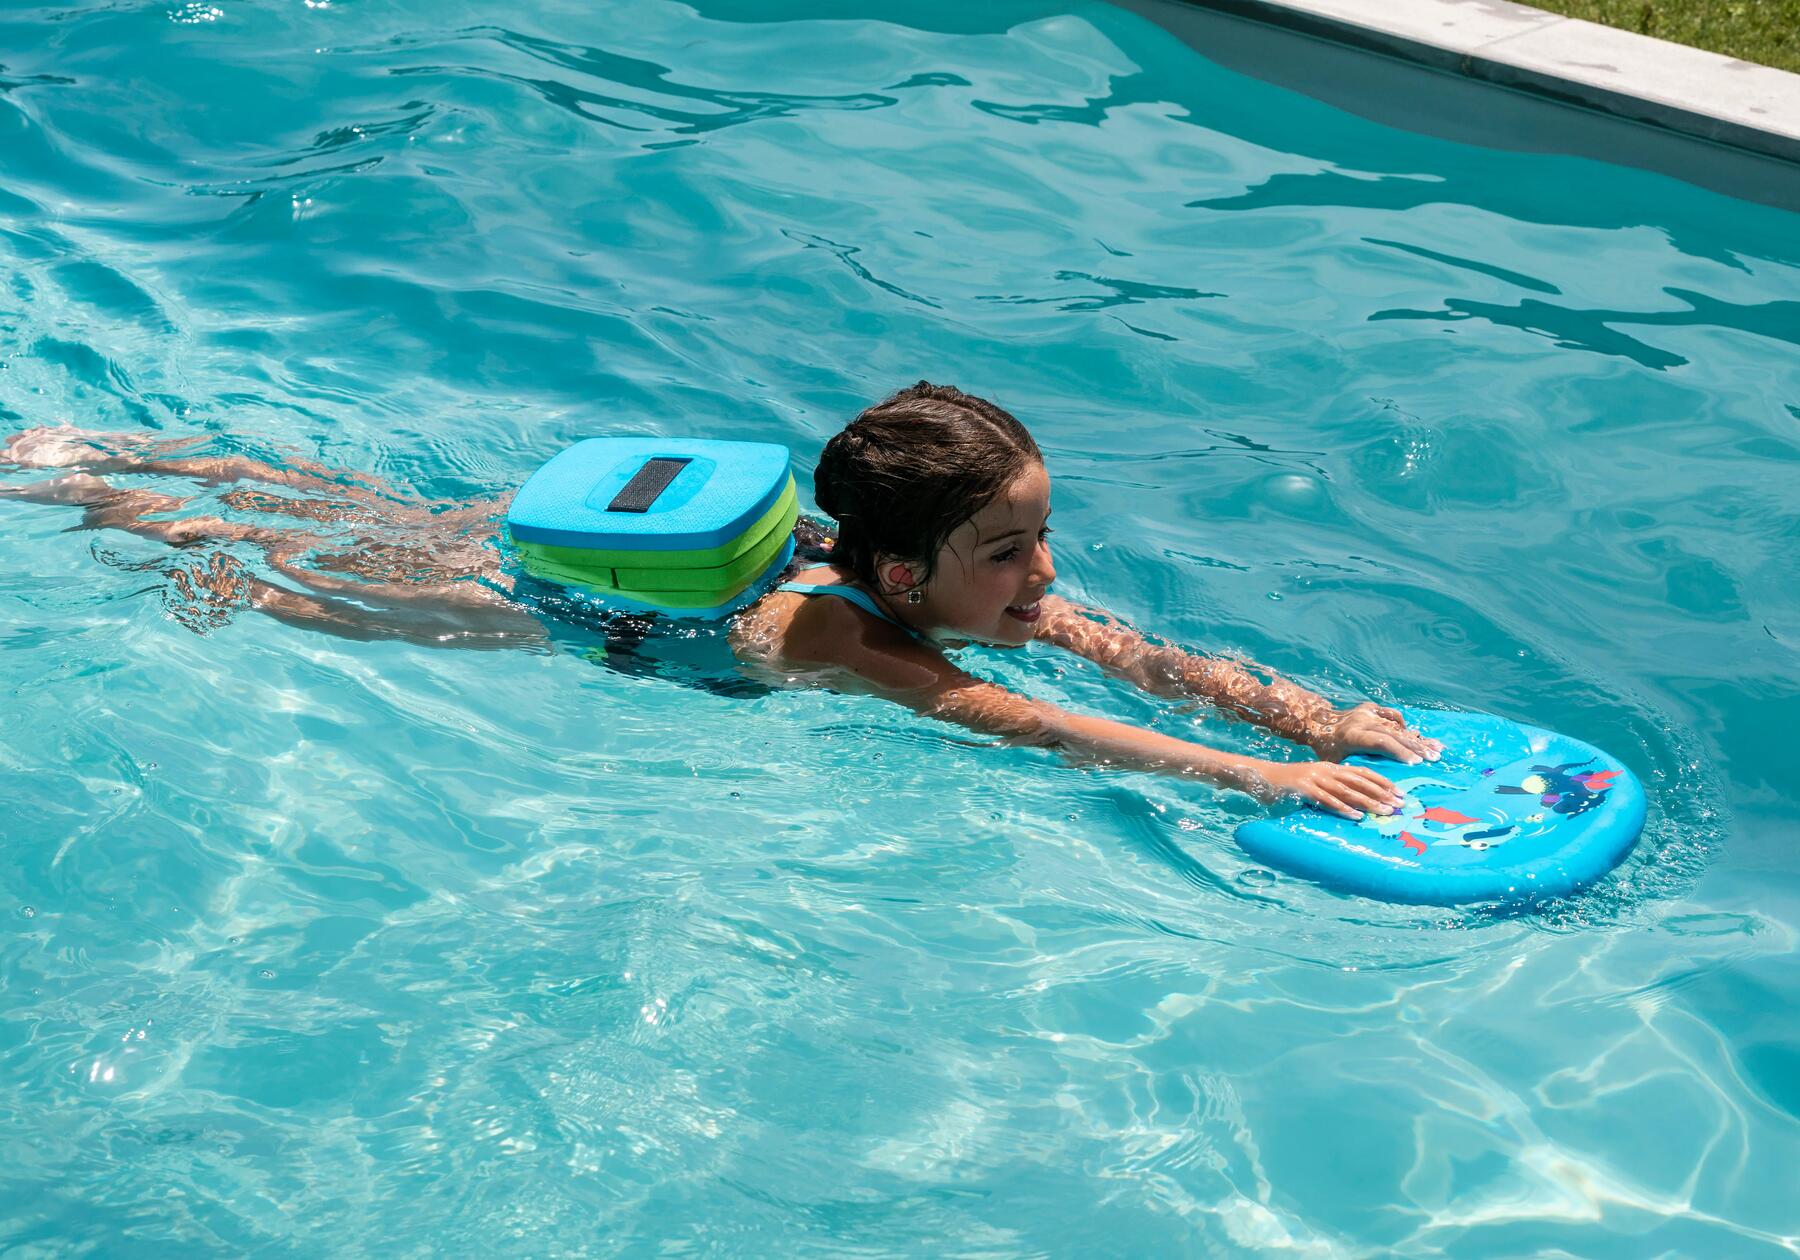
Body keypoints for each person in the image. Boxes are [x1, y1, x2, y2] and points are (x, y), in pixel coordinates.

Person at [1, 381, 1438, 818]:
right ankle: (89, 486)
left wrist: (1318, 715)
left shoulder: (938, 580)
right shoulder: (837, 633)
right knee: (284, 582)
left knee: (339, 502)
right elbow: (1033, 727)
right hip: (522, 600)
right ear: (897, 576)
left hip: (600, 559)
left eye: (1041, 539)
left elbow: (1137, 660)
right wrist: (1264, 777)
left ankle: (114, 451)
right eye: (1010, 551)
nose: (1045, 579)